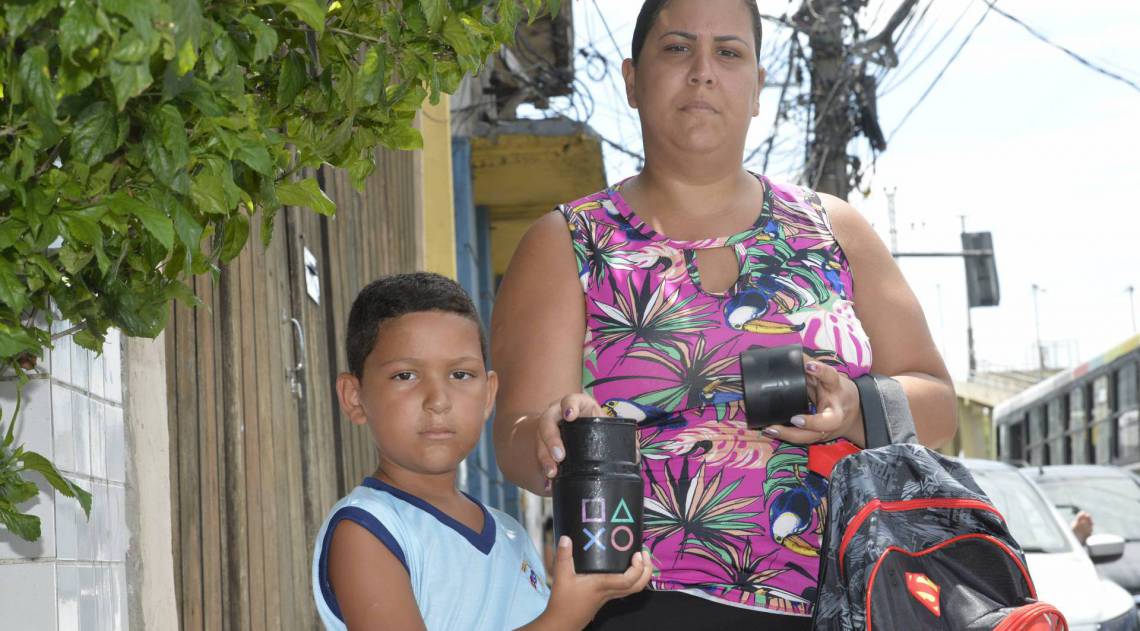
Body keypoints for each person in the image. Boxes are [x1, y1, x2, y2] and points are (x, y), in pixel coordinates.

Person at [489, 0, 957, 628]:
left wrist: (853, 406)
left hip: (849, 597)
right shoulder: (565, 242)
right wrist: (549, 434)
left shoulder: (834, 227)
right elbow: (516, 441)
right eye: (677, 48)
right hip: (645, 604)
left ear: (759, 87)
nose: (703, 71)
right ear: (632, 79)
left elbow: (939, 406)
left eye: (729, 52)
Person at [312, 273, 653, 630]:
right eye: (405, 376)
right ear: (354, 397)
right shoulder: (368, 530)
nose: (438, 401)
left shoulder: (509, 533)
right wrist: (564, 617)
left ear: (489, 395)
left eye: (460, 375)